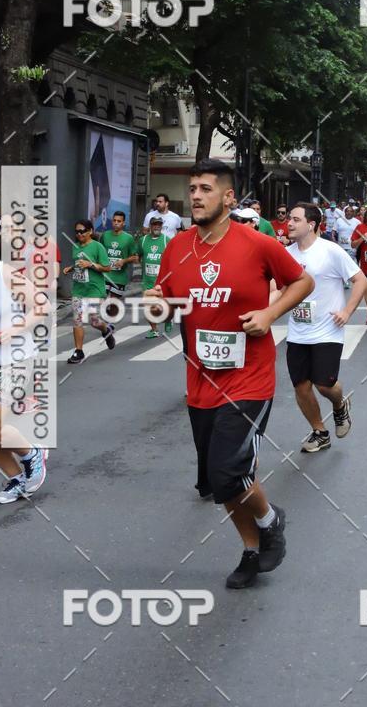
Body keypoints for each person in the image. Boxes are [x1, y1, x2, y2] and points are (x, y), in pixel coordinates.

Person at [148, 159, 313, 589]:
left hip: (249, 380)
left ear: (228, 197)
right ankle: (254, 546)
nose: (196, 195)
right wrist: (155, 306)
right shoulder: (178, 246)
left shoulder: (257, 243)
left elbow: (302, 283)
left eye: (205, 188)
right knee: (220, 483)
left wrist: (270, 312)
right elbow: (166, 304)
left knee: (228, 471)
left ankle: (269, 519)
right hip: (200, 381)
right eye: (193, 188)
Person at [285, 203, 366, 452]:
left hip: (327, 330)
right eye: (289, 218)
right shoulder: (286, 254)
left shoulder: (330, 251)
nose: (289, 223)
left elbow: (360, 280)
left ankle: (340, 404)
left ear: (311, 225)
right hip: (297, 331)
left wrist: (347, 311)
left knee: (324, 385)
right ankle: (320, 432)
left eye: (295, 219)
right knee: (301, 387)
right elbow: (277, 287)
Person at [0, 225, 49, 503]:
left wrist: (16, 329)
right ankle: (17, 479)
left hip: (15, 358)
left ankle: (31, 453)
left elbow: (42, 306)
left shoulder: (6, 274)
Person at [62, 219, 116, 364]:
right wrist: (71, 268)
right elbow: (79, 264)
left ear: (90, 231)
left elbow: (107, 268)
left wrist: (90, 264)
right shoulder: (76, 247)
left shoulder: (97, 247)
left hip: (94, 289)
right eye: (77, 232)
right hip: (79, 289)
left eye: (82, 231)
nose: (79, 234)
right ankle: (78, 351)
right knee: (77, 319)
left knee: (94, 320)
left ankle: (106, 330)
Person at [99, 211, 139, 326]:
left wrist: (123, 261)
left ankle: (111, 323)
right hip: (105, 274)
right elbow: (99, 251)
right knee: (103, 299)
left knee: (114, 302)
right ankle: (107, 318)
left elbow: (134, 257)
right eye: (114, 220)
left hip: (119, 277)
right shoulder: (105, 235)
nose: (116, 223)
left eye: (119, 221)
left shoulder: (128, 238)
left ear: (123, 223)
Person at [138, 217, 170, 338]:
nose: (157, 226)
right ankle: (154, 329)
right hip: (147, 280)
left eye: (159, 224)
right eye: (154, 224)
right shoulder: (143, 240)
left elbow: (171, 258)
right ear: (150, 226)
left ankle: (167, 319)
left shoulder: (166, 240)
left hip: (162, 281)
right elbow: (139, 255)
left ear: (162, 226)